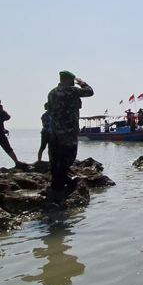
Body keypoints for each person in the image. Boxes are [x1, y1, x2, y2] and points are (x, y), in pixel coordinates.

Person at [47, 71, 94, 200]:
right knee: (68, 155)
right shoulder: (72, 91)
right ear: (69, 80)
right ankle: (61, 183)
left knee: (55, 157)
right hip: (69, 130)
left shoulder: (52, 93)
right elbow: (90, 91)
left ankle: (56, 183)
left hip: (54, 131)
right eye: (72, 80)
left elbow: (49, 110)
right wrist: (82, 83)